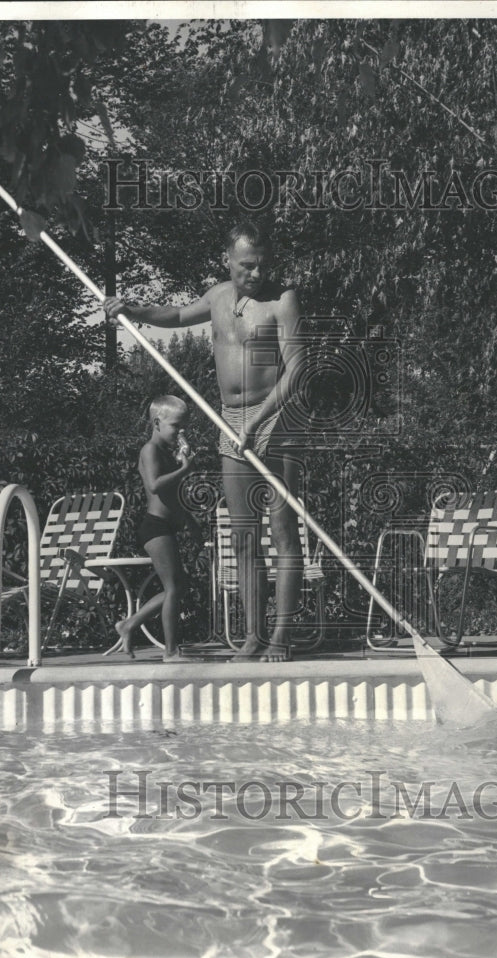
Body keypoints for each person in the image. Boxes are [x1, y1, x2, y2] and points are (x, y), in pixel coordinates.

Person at [104, 221, 306, 662]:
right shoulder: (217, 296)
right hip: (230, 420)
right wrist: (132, 309)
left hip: (276, 420)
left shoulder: (282, 300)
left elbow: (296, 372)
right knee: (243, 537)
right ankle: (254, 636)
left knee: (282, 531)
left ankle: (281, 637)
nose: (255, 274)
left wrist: (258, 420)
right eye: (246, 266)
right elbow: (176, 317)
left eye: (262, 266)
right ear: (228, 261)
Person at [115, 394, 202, 661]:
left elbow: (173, 496)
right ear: (156, 422)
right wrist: (184, 470)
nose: (180, 432)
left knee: (178, 586)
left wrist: (190, 522)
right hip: (154, 527)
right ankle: (171, 651)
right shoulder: (150, 450)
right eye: (176, 426)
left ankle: (129, 625)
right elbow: (154, 485)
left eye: (184, 427)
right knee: (174, 588)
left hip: (166, 525)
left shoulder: (167, 453)